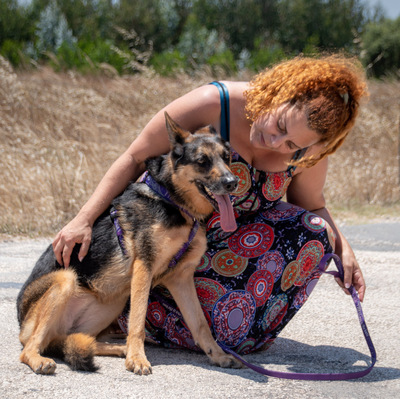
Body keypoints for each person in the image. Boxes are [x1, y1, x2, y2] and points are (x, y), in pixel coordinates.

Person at [53, 54, 368, 354]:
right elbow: (135, 157)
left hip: (229, 256)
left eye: (290, 145)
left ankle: (189, 324)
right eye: (280, 126)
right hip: (170, 244)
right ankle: (128, 308)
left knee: (315, 233)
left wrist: (343, 248)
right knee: (224, 331)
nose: (274, 143)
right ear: (281, 92)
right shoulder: (215, 103)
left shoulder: (307, 155)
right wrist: (84, 218)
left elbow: (311, 206)